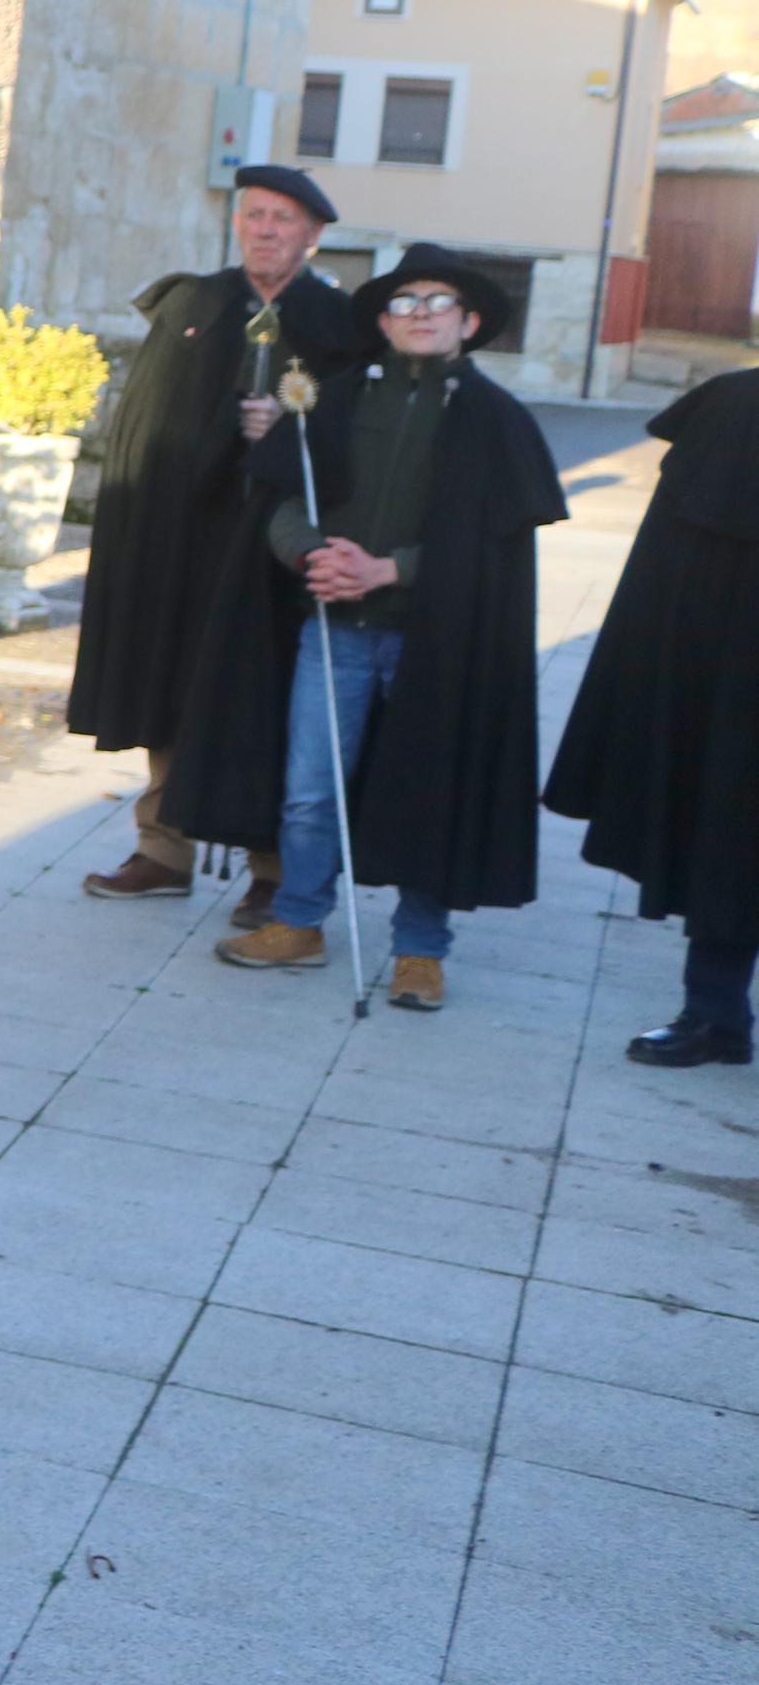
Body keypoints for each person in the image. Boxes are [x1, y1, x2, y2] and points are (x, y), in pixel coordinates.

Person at [217, 244, 566, 1007]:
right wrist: (315, 555)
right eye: (404, 303)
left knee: (427, 786)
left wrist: (389, 569)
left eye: (436, 302)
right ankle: (299, 921)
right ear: (381, 319)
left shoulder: (495, 421)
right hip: (334, 629)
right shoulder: (331, 401)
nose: (419, 315)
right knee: (311, 791)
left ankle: (418, 949)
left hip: (434, 639)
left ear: (468, 322)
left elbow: (488, 542)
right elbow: (283, 501)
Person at [66, 166, 364, 918]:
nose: (265, 229)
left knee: (264, 697)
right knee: (170, 678)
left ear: (312, 235)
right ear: (237, 224)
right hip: (186, 537)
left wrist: (291, 431)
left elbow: (356, 431)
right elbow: (146, 426)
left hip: (278, 549)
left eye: (282, 219)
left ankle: (270, 867)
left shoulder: (337, 323)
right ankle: (161, 849)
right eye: (254, 215)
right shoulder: (193, 306)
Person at [543, 367, 759, 1068]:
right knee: (728, 832)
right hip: (728, 677)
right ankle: (713, 1013)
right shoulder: (732, 405)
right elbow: (668, 563)